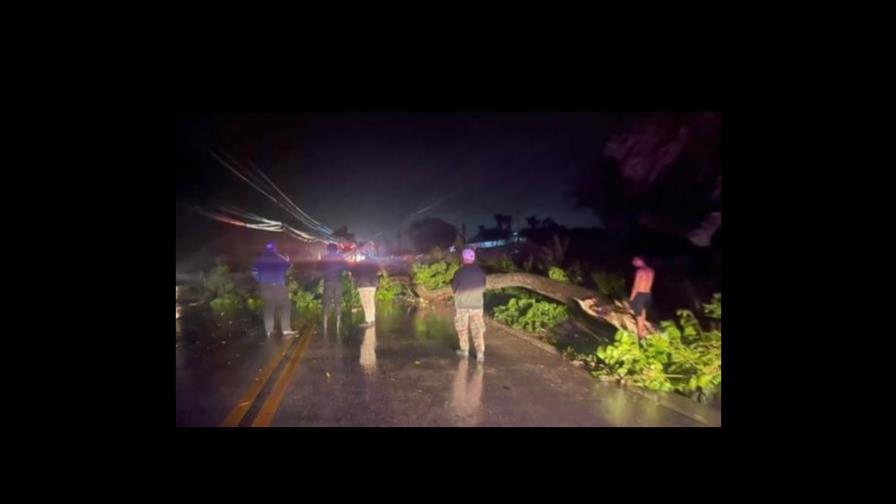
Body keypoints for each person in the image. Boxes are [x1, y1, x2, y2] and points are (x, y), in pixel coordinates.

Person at [252, 242, 296, 337]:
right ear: (275, 249)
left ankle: (269, 330)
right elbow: (289, 266)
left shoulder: (259, 259)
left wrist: (261, 280)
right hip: (279, 285)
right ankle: (286, 329)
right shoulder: (279, 257)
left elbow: (254, 271)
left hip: (265, 286)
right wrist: (287, 260)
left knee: (268, 307)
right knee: (285, 306)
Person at [450, 248, 487, 362]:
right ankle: (480, 352)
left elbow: (454, 289)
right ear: (473, 258)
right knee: (477, 329)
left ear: (463, 258)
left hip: (462, 305)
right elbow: (483, 288)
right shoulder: (480, 272)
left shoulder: (459, 272)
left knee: (462, 328)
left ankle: (464, 350)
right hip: (476, 305)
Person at [321, 242, 347, 334]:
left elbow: (320, 269)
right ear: (336, 249)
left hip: (328, 282)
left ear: (328, 249)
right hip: (338, 282)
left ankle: (324, 324)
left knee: (326, 302)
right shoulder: (341, 258)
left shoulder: (324, 258)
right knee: (338, 302)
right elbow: (345, 269)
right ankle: (338, 323)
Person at [353, 243, 379, 327]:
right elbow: (377, 271)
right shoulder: (374, 262)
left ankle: (368, 320)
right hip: (373, 284)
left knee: (365, 302)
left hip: (364, 284)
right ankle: (372, 319)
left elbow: (355, 273)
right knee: (371, 301)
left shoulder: (360, 263)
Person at [629, 256, 655, 340]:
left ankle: (640, 335)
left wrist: (631, 299)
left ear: (641, 260)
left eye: (635, 261)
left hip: (639, 294)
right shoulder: (651, 271)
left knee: (638, 315)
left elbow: (636, 286)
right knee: (643, 312)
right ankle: (642, 328)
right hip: (648, 294)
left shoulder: (639, 271)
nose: (633, 263)